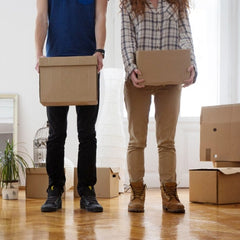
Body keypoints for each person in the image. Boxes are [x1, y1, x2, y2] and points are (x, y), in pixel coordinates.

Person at [120, 0, 197, 213]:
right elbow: (127, 40)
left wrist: (190, 65)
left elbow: (185, 35)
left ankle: (169, 193)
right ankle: (136, 192)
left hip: (170, 80)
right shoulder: (129, 4)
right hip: (139, 80)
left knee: (167, 140)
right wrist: (131, 68)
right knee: (137, 139)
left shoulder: (176, 4)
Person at [35, 0, 108, 213]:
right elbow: (41, 16)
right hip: (56, 63)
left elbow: (100, 15)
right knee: (56, 133)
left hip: (87, 62)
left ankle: (87, 190)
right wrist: (39, 53)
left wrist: (100, 50)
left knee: (87, 133)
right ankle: (54, 189)